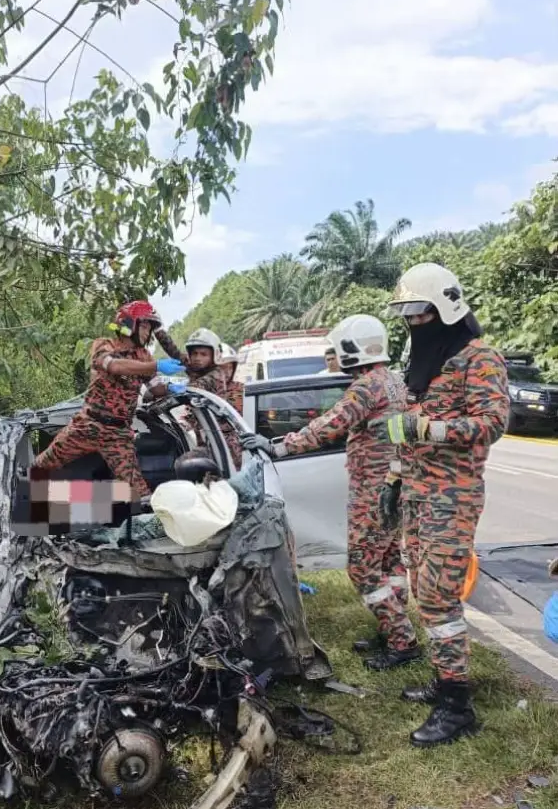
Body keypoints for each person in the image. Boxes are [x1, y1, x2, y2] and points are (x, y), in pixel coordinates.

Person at [368, 261, 510, 748]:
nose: (413, 322)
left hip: (453, 498)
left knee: (438, 598)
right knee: (424, 591)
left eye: (420, 313)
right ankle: (445, 678)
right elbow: (404, 432)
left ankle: (457, 706)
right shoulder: (424, 362)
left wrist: (432, 429)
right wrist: (393, 478)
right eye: (407, 315)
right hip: (417, 495)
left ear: (447, 309)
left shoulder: (478, 358)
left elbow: (492, 423)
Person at [240, 314, 419, 668]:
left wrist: (279, 446)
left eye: (339, 350)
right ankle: (395, 630)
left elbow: (329, 425)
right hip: (395, 483)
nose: (335, 357)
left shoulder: (366, 387)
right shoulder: (394, 381)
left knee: (363, 568)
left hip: (374, 490)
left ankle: (402, 641)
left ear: (353, 349)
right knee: (389, 561)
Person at [32, 301, 186, 499]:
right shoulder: (104, 345)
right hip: (87, 426)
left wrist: (170, 387)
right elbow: (114, 366)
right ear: (129, 324)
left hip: (118, 434)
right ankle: (19, 499)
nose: (147, 333)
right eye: (144, 326)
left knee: (139, 494)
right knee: (41, 466)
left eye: (150, 328)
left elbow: (155, 388)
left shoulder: (144, 356)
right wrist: (155, 366)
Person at [219, 344, 244, 414]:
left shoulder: (240, 388)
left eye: (230, 368)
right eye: (223, 368)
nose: (227, 372)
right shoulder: (205, 391)